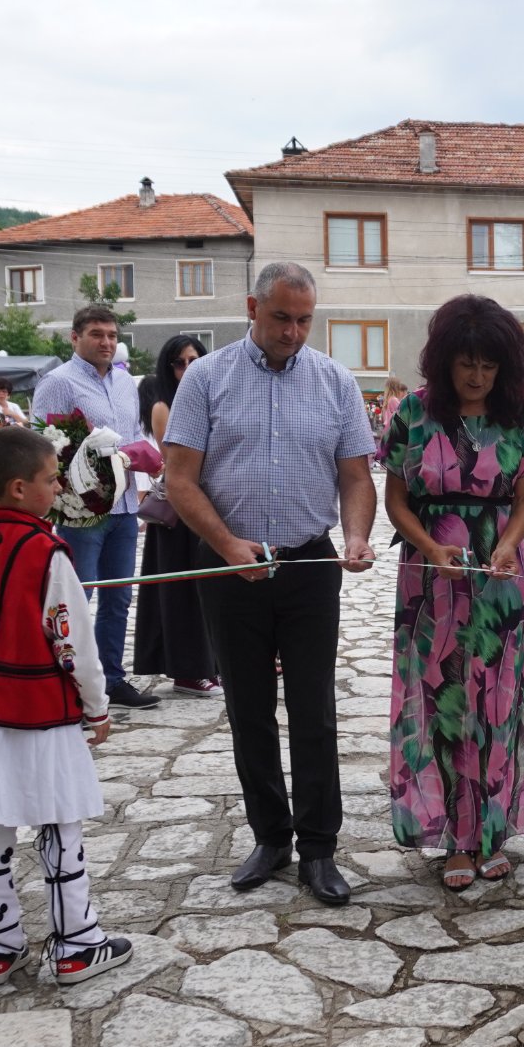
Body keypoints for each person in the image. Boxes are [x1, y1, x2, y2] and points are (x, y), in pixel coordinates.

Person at [163, 262, 378, 900]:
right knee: (248, 709)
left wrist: (357, 535)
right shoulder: (205, 378)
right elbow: (180, 478)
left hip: (309, 564)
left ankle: (318, 848)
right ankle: (270, 836)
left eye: (305, 319)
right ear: (252, 307)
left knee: (314, 710)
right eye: (282, 317)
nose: (293, 331)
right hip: (231, 567)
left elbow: (357, 477)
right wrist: (228, 545)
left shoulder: (335, 380)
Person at [0, 425, 131, 987]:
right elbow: (74, 641)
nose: (58, 485)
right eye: (50, 478)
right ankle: (76, 944)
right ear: (19, 488)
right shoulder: (46, 551)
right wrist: (97, 707)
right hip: (40, 708)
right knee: (59, 823)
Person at [380, 295, 524, 891]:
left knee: (500, 701)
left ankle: (493, 832)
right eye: (466, 364)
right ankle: (456, 837)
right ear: (444, 360)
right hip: (431, 575)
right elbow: (395, 499)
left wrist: (508, 543)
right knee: (443, 698)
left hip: (503, 575)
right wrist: (429, 547)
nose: (478, 377)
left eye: (489, 365)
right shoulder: (413, 414)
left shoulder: (521, 416)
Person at [32, 306, 161, 711]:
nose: (105, 342)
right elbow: (47, 445)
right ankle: (64, 680)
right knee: (76, 597)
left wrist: (139, 462)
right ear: (75, 338)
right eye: (96, 334)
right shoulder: (58, 382)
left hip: (122, 506)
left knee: (118, 597)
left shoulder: (125, 383)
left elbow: (134, 435)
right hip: (81, 510)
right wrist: (118, 455)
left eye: (111, 334)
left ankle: (111, 679)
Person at [134, 334, 218, 698]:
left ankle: (212, 663)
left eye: (194, 360)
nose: (188, 368)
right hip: (180, 509)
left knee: (211, 589)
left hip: (211, 503)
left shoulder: (212, 399)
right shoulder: (164, 406)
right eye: (180, 362)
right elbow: (179, 462)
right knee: (181, 591)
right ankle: (186, 670)